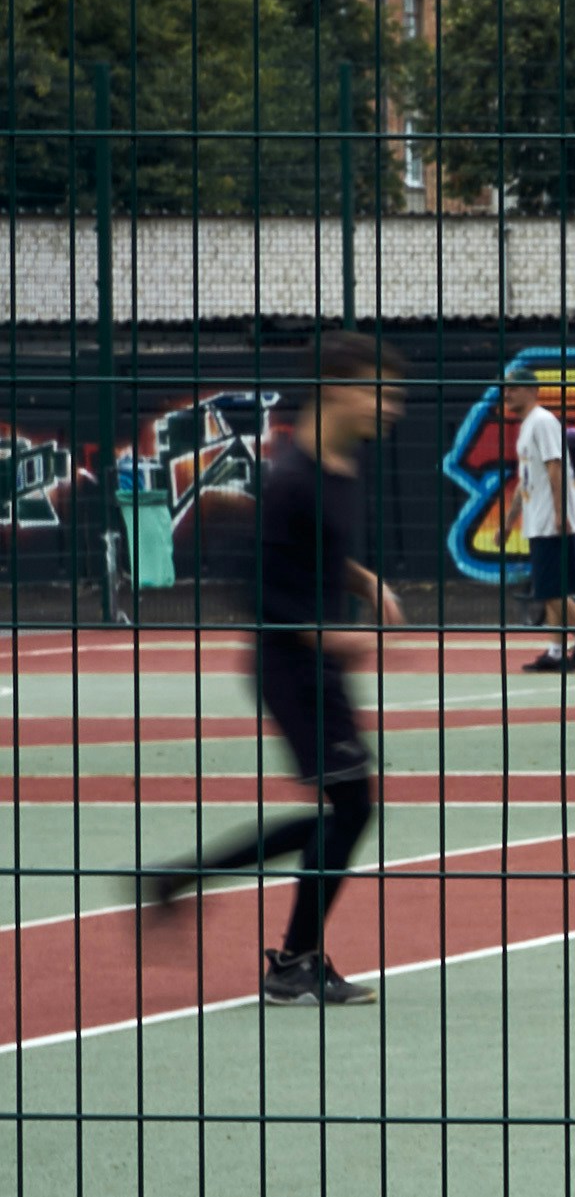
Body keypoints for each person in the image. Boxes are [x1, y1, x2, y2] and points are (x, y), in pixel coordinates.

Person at [138, 330, 403, 1005]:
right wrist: (324, 635)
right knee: (352, 807)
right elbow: (252, 586)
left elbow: (316, 551)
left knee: (348, 808)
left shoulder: (339, 465)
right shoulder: (292, 479)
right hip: (290, 666)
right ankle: (289, 961)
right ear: (337, 389)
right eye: (379, 391)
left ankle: (198, 894)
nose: (390, 406)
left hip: (315, 665)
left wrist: (364, 581)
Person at [496, 370, 575, 675]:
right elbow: (525, 480)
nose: (507, 394)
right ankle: (557, 652)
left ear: (532, 391)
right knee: (552, 589)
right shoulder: (529, 426)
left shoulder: (542, 421)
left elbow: (555, 467)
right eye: (506, 389)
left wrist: (559, 514)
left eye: (513, 388)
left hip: (550, 521)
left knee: (550, 590)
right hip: (539, 519)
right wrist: (509, 522)